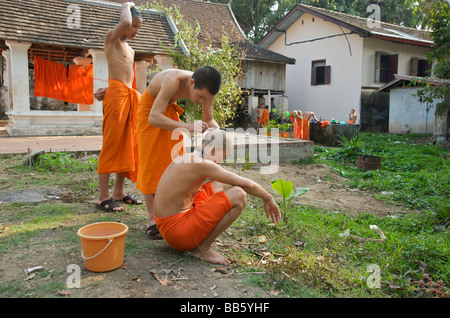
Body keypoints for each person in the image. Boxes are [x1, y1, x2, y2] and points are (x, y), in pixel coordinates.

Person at [153, 129, 281, 265]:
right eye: (223, 157)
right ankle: (203, 249)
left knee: (221, 182)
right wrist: (268, 198)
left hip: (167, 225)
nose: (220, 163)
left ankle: (200, 236)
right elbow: (247, 184)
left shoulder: (188, 156)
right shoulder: (201, 164)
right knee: (239, 195)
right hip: (178, 234)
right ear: (217, 150)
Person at [136, 67, 222, 239]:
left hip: (168, 112)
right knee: (152, 162)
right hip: (151, 111)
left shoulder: (206, 90)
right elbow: (154, 117)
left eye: (207, 98)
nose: (202, 101)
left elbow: (209, 119)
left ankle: (172, 211)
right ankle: (153, 219)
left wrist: (218, 136)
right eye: (200, 97)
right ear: (192, 83)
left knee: (174, 160)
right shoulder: (172, 80)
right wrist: (189, 127)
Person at [95, 2, 143, 212]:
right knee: (111, 144)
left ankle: (118, 192)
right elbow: (124, 21)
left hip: (127, 95)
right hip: (116, 97)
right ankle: (103, 197)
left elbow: (125, 76)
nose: (135, 30)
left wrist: (108, 89)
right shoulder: (111, 38)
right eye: (134, 26)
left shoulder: (130, 50)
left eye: (138, 27)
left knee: (126, 144)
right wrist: (127, 4)